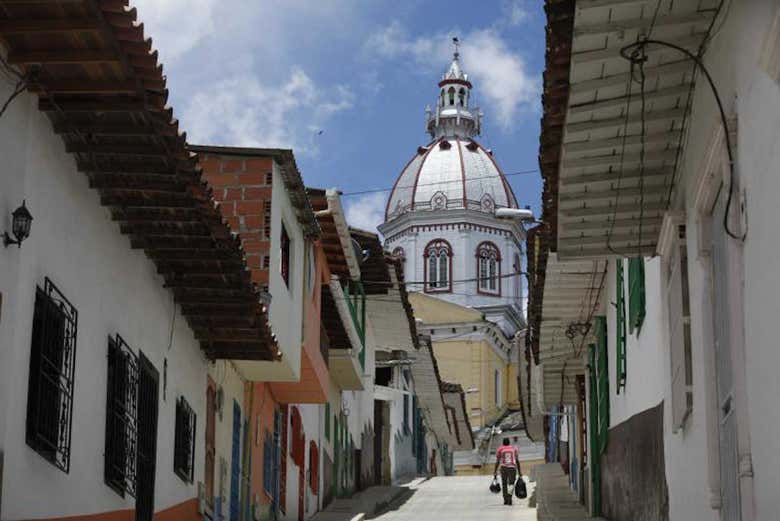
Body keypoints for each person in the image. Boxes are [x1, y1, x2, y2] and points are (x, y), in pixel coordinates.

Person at [493, 437, 522, 505]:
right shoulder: (514, 449)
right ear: (509, 442)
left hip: (503, 468)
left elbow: (497, 461)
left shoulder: (500, 449)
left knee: (504, 484)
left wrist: (495, 471)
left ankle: (505, 499)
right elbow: (517, 461)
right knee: (511, 484)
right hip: (512, 468)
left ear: (503, 443)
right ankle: (509, 497)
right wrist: (519, 471)